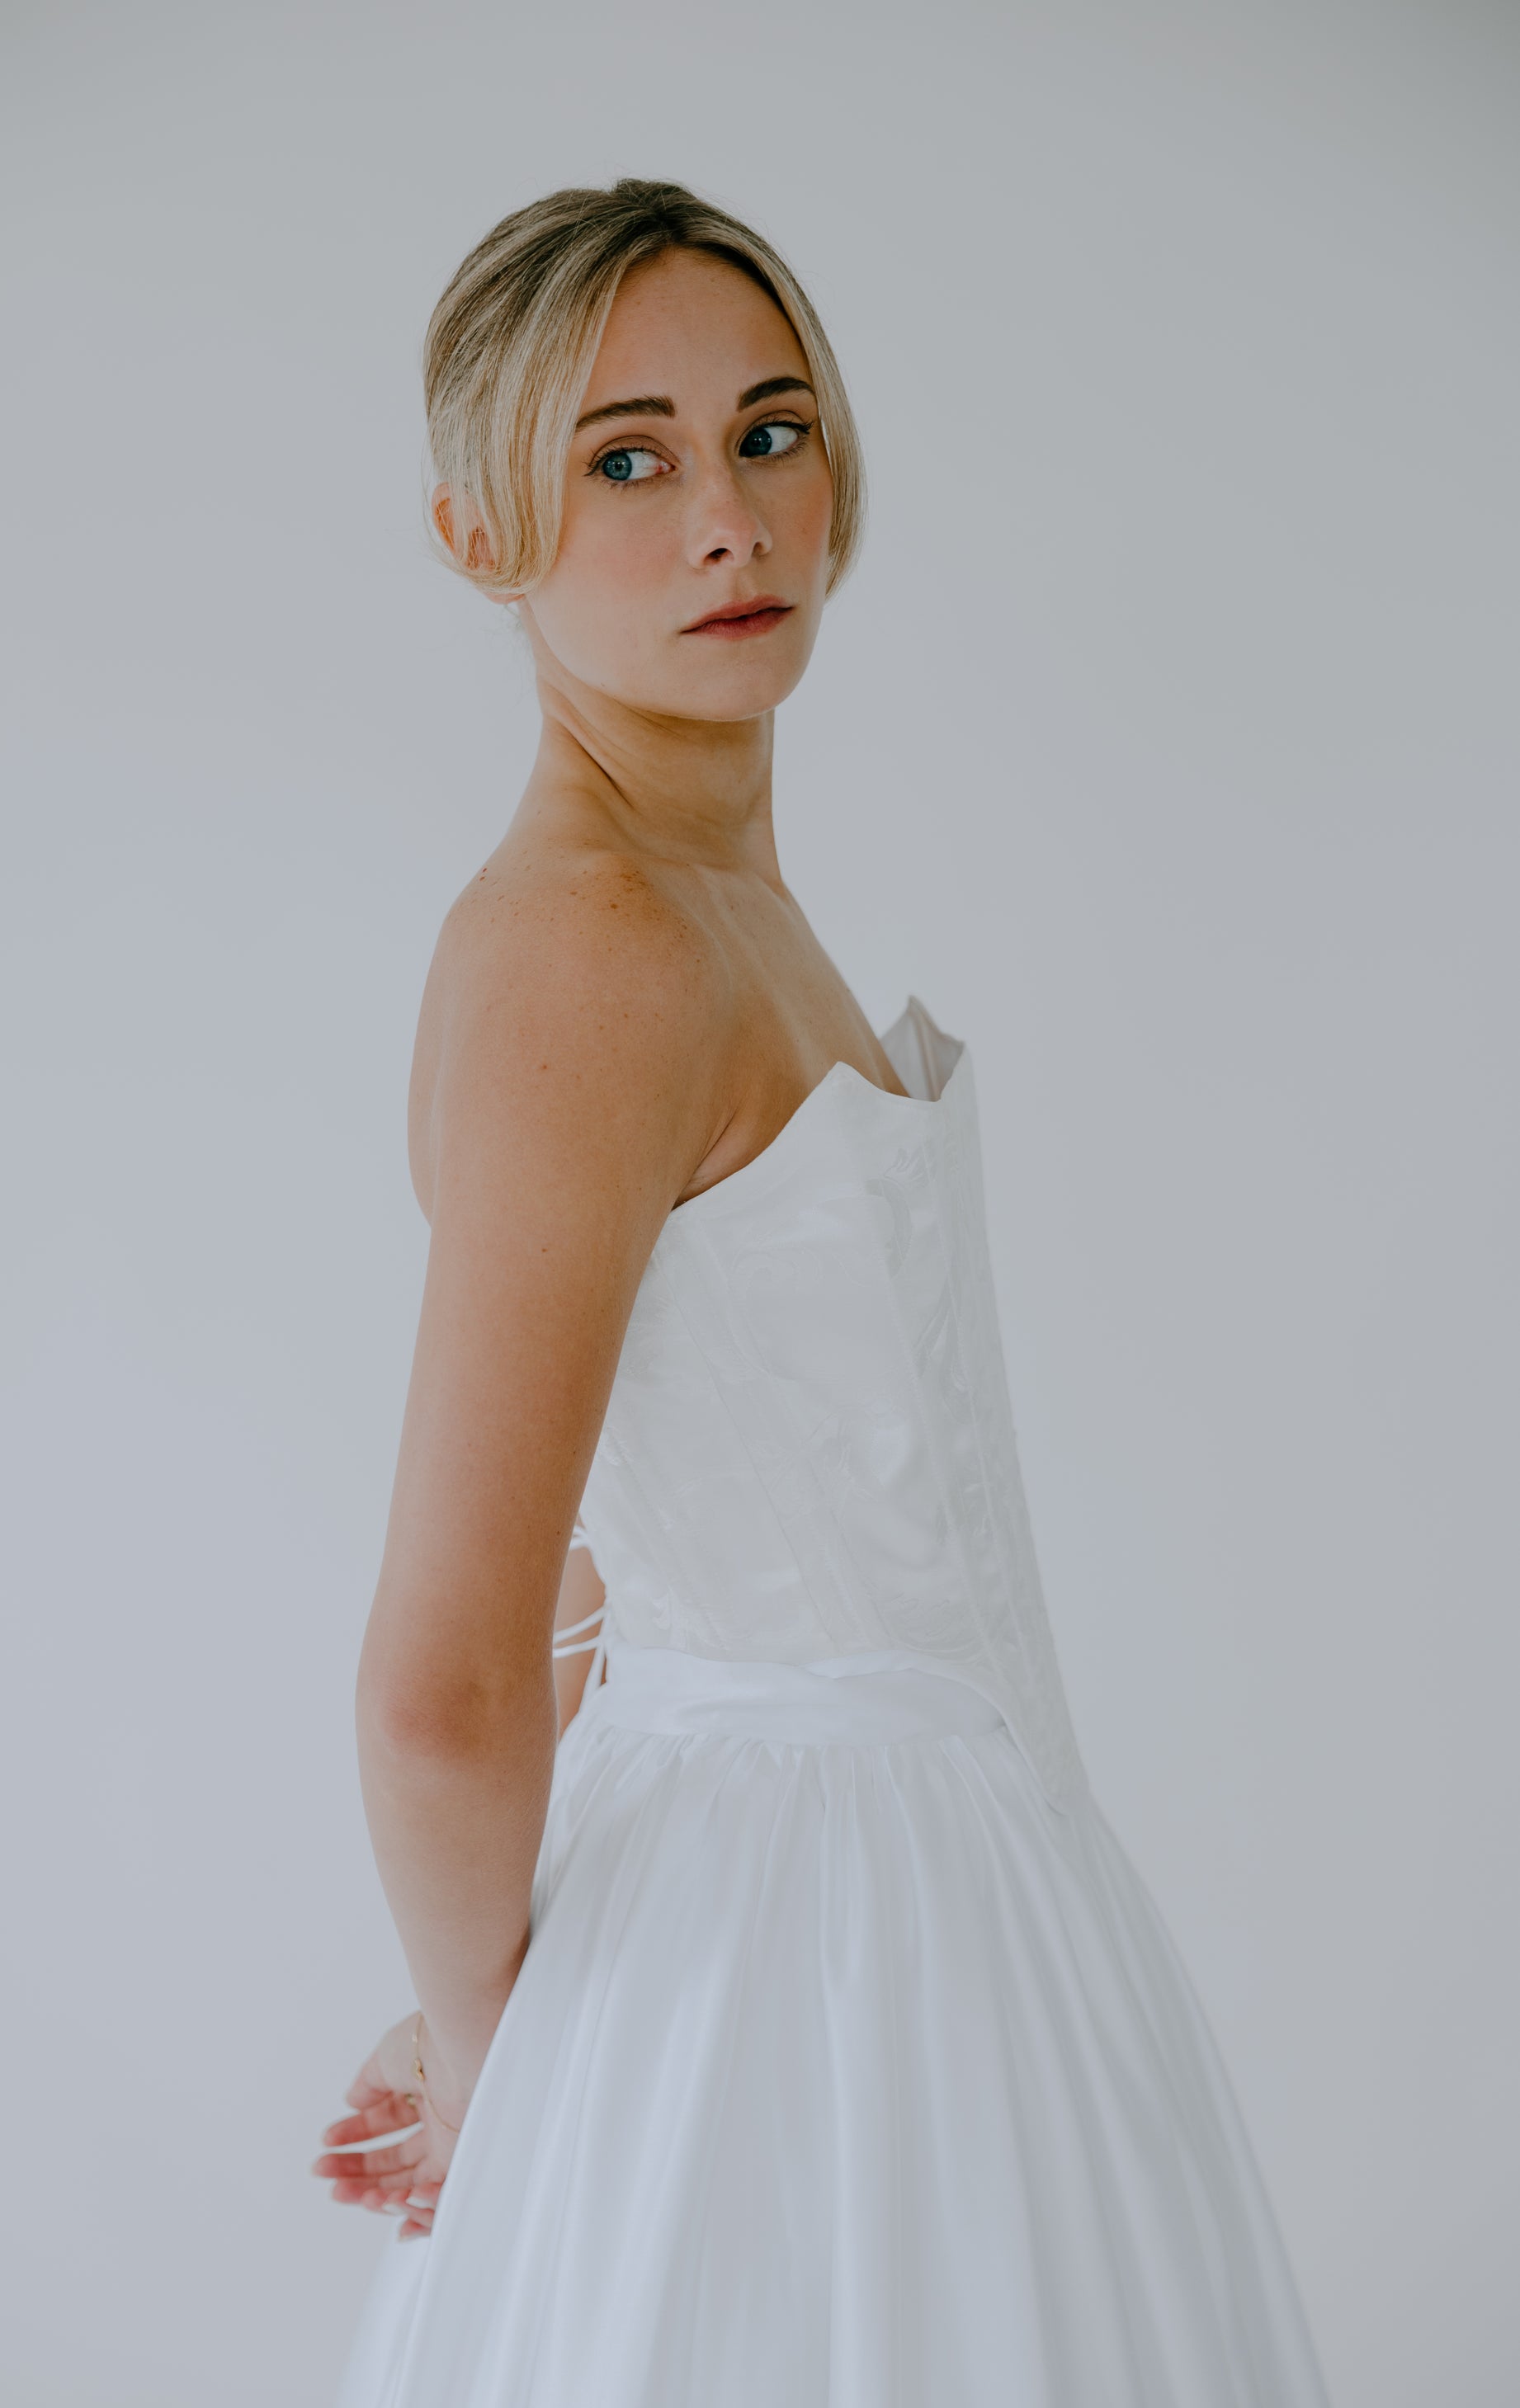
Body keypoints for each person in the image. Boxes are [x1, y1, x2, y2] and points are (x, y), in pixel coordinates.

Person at [314, 178, 1332, 2407]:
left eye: (768, 433)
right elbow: (439, 1674)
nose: (724, 518)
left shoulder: (704, 906)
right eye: (624, 457)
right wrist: (512, 2069)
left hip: (934, 1914)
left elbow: (616, 1545)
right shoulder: (595, 944)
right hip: (809, 1963)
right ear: (475, 528)